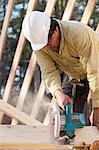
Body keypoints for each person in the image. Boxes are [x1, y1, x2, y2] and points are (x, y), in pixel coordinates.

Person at [22, 11, 99, 128]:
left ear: (55, 29)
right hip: (75, 75)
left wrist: (97, 108)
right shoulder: (41, 46)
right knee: (69, 116)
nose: (46, 46)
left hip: (96, 69)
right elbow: (49, 71)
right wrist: (58, 94)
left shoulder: (78, 34)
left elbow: (94, 71)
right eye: (42, 45)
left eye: (47, 41)